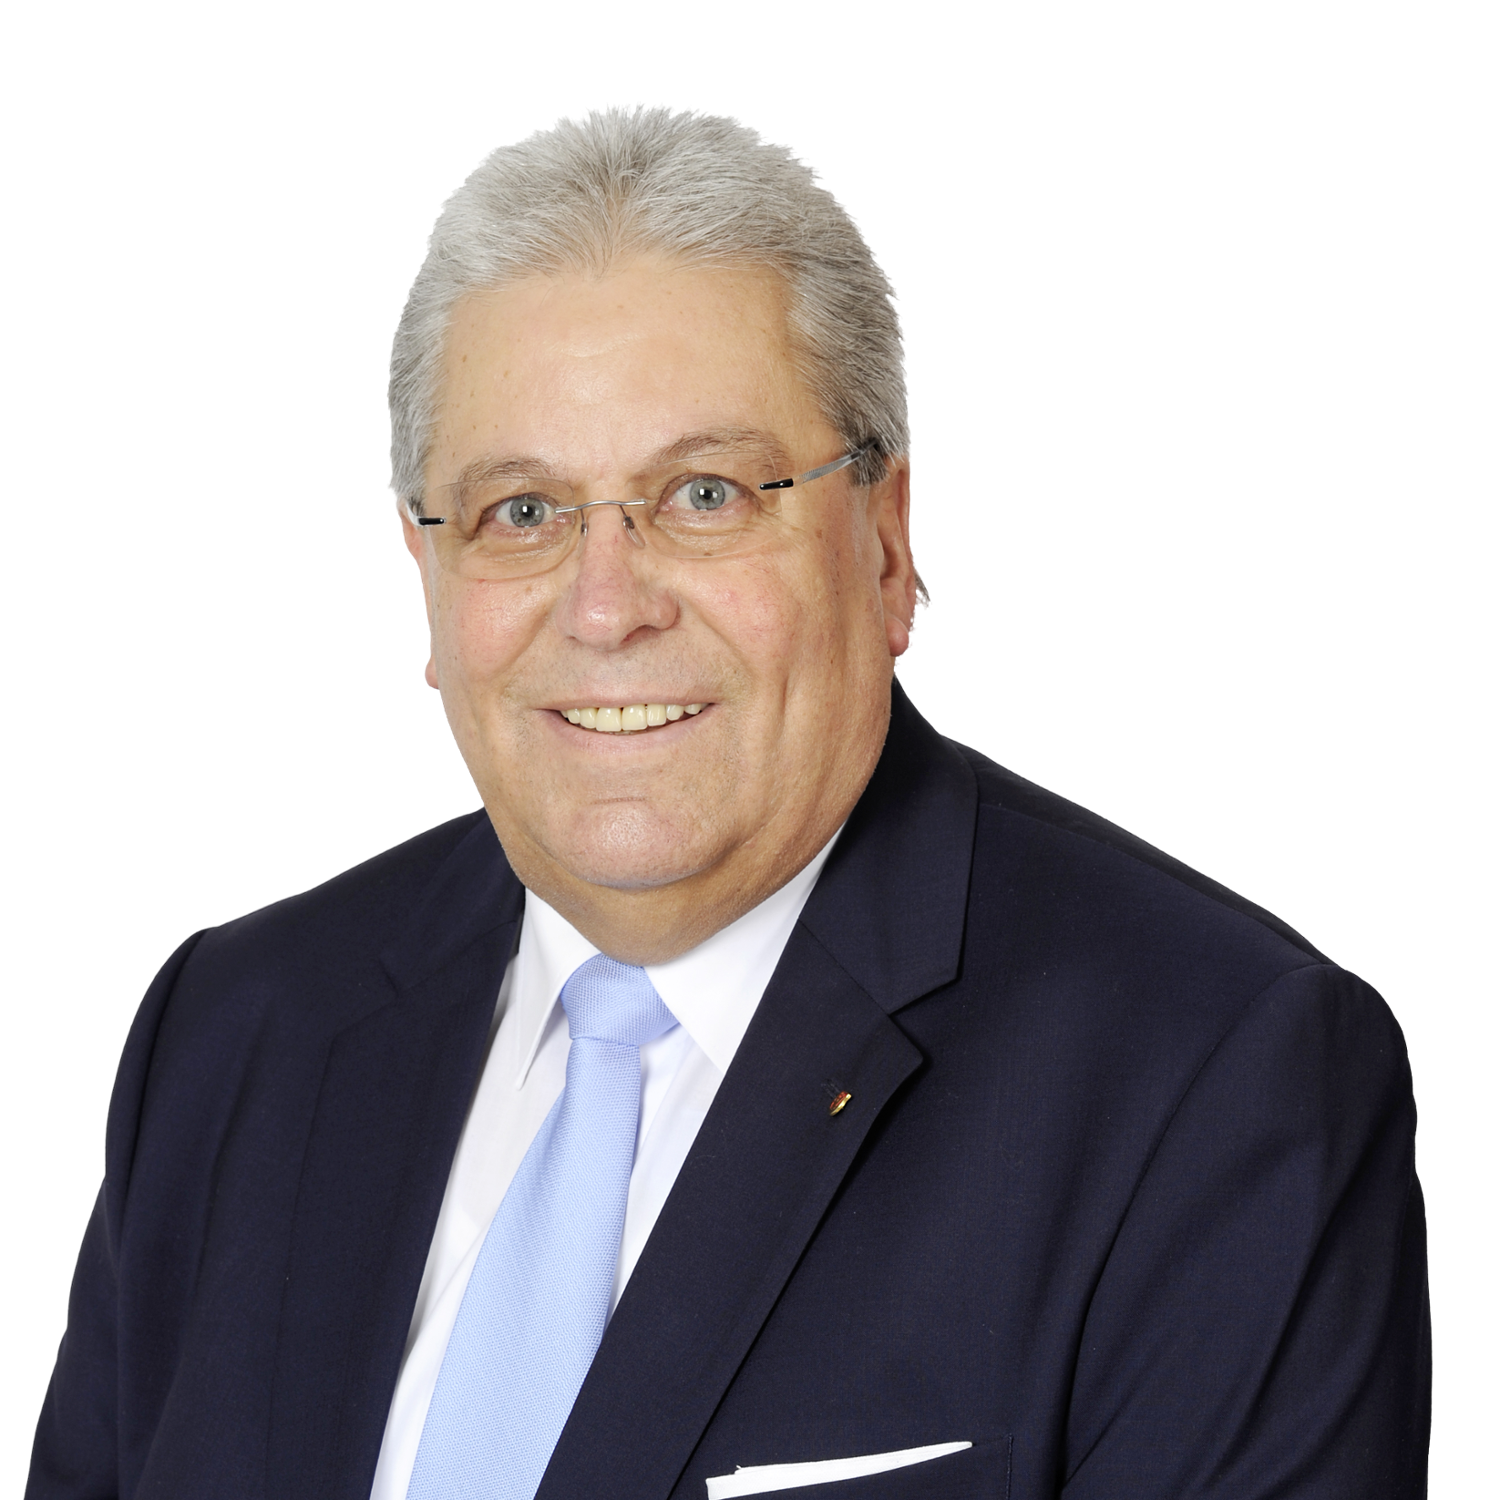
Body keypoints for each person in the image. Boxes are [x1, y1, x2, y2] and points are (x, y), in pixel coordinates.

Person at [29, 105, 1429, 1499]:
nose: (606, 606)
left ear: (886, 545)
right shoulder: (235, 1029)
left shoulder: (1214, 1074)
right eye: (522, 512)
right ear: (426, 577)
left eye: (704, 493)